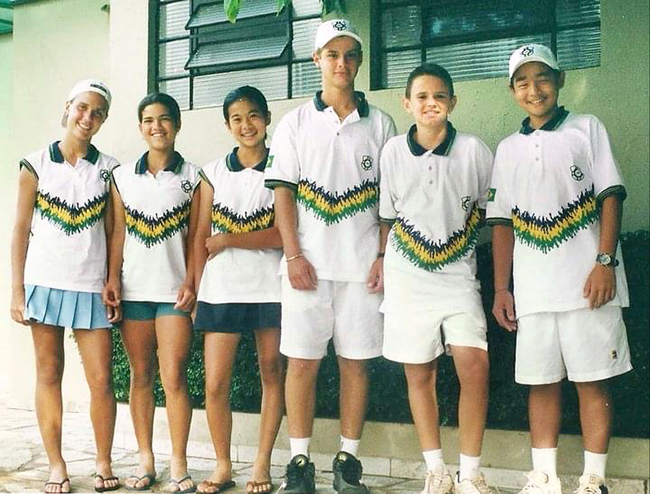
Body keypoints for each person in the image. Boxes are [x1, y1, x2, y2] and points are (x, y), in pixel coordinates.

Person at [487, 44, 632, 494]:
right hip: (533, 291)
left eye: (543, 78)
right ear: (512, 91)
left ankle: (594, 480)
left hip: (590, 286)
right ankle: (545, 479)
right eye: (524, 82)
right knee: (541, 383)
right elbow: (502, 224)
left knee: (592, 382)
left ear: (561, 79)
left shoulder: (587, 129)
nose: (535, 89)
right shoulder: (507, 149)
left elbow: (611, 195)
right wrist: (501, 289)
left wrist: (604, 262)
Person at [264, 19, 397, 494]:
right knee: (301, 363)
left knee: (355, 363)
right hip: (307, 270)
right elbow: (283, 194)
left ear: (358, 62)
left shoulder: (381, 123)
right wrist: (294, 254)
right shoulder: (295, 123)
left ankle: (348, 463)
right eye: (332, 55)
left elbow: (388, 199)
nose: (342, 64)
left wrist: (382, 255)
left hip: (362, 269)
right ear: (317, 60)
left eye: (350, 55)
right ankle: (300, 464)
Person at [378, 63, 494, 494]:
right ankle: (436, 471)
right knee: (419, 372)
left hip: (458, 276)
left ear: (453, 102)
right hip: (407, 276)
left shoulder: (475, 150)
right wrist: (380, 258)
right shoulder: (391, 151)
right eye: (422, 97)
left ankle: (471, 473)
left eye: (440, 96)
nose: (431, 104)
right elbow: (387, 217)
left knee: (474, 365)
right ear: (407, 103)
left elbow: (487, 210)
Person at [10, 79, 120, 493]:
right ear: (68, 106)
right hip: (45, 282)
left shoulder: (110, 169)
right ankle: (56, 465)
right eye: (82, 108)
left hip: (91, 286)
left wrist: (112, 280)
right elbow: (20, 230)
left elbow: (113, 233)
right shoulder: (35, 163)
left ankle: (103, 462)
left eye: (97, 113)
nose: (87, 118)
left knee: (102, 379)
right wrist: (17, 291)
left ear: (103, 119)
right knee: (49, 373)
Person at [105, 93, 200, 493]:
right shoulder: (122, 177)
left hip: (174, 293)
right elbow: (117, 233)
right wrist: (112, 279)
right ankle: (146, 459)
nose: (156, 126)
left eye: (164, 119)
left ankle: (179, 462)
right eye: (147, 120)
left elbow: (198, 236)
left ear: (177, 125)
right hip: (134, 291)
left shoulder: (195, 176)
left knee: (174, 375)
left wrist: (192, 282)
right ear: (140, 127)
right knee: (140, 375)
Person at [193, 86, 284, 494]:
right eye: (236, 118)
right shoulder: (212, 172)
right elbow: (200, 237)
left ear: (266, 118)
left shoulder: (283, 167)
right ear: (227, 125)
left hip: (271, 288)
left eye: (253, 116)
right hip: (222, 290)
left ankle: (261, 463)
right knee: (215, 383)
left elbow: (283, 234)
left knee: (273, 374)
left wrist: (230, 239)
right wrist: (194, 290)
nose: (246, 125)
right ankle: (223, 463)